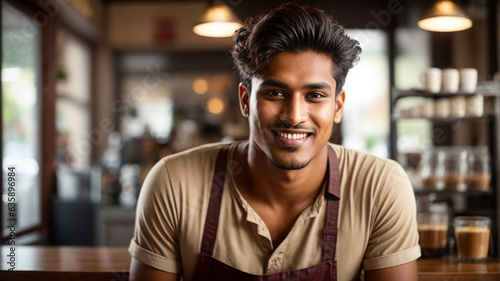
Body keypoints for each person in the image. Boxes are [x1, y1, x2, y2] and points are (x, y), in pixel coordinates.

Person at [128, 3, 421, 281]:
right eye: (274, 94)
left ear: (338, 107)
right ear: (246, 101)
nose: (294, 116)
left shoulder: (381, 187)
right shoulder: (173, 183)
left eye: (315, 96)